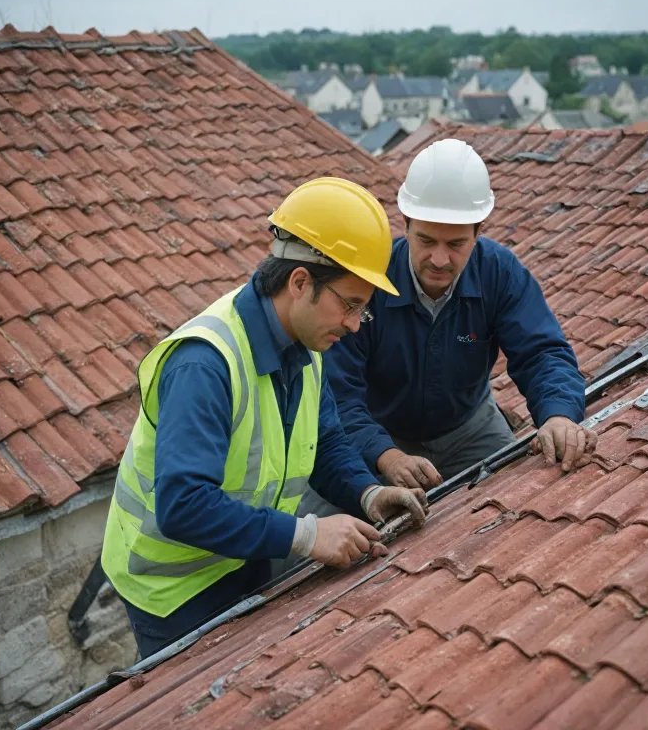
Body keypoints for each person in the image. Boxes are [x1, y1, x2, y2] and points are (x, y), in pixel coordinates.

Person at [101, 177, 428, 659]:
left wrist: (368, 493)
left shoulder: (308, 343)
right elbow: (183, 505)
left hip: (246, 556)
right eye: (350, 304)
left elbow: (325, 442)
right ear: (300, 283)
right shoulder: (204, 365)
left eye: (364, 310)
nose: (355, 324)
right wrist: (307, 535)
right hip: (172, 590)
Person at [295, 139, 596, 522]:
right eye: (426, 240)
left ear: (478, 232)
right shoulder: (368, 283)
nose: (439, 259)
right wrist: (386, 455)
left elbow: (543, 353)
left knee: (524, 503)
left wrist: (558, 415)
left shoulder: (499, 272)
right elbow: (338, 394)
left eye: (456, 244)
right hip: (373, 436)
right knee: (323, 533)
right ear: (406, 226)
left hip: (470, 430)